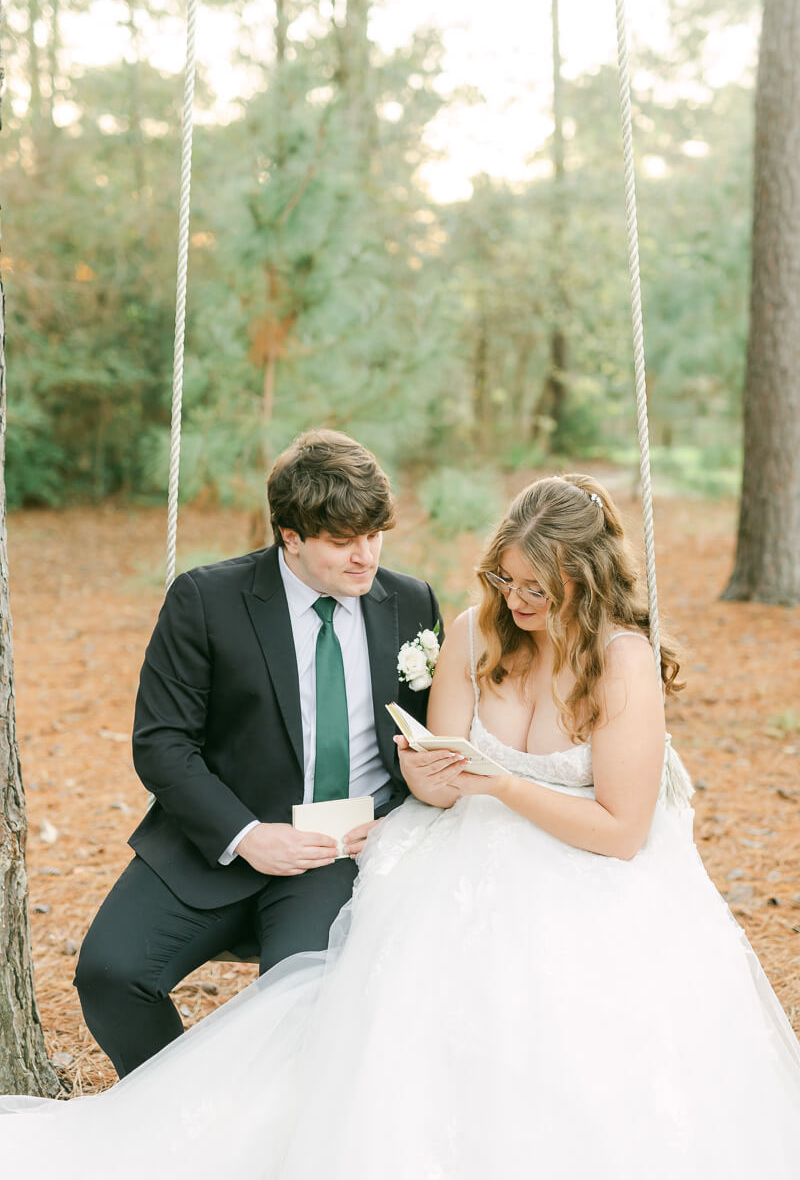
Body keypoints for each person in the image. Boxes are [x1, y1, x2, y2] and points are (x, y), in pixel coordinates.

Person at [2, 474, 799, 1180]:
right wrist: (426, 773)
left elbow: (622, 831)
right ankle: (186, 1121)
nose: (518, 602)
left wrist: (498, 786)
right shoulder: (466, 627)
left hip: (567, 863)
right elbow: (433, 768)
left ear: (584, 586)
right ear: (291, 537)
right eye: (506, 579)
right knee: (162, 980)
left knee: (448, 1003)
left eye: (539, 591)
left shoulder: (608, 658)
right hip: (381, 843)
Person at [72, 428, 443, 1077]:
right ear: (290, 536)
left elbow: (433, 736)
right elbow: (162, 743)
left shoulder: (411, 603)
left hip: (340, 849)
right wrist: (245, 835)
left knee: (296, 1007)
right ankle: (179, 1112)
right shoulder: (206, 600)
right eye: (342, 540)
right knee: (111, 974)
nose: (366, 557)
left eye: (375, 534)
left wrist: (400, 820)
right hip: (217, 834)